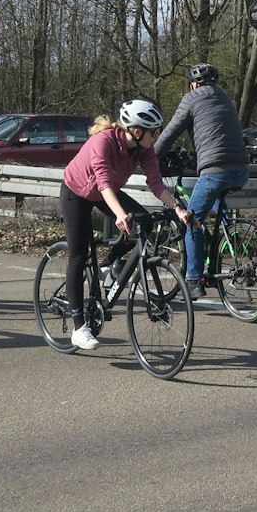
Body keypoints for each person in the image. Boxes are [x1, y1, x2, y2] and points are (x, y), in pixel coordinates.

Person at [59, 99, 192, 351]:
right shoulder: (104, 141)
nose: (157, 136)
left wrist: (177, 208)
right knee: (78, 256)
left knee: (143, 221)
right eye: (154, 131)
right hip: (77, 192)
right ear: (137, 131)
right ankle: (78, 327)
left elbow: (156, 183)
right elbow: (104, 182)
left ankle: (109, 265)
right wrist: (120, 215)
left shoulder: (144, 147)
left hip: (103, 192)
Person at [153, 63, 250, 300]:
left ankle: (194, 280)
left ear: (193, 84)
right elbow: (218, 133)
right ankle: (229, 236)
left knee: (191, 220)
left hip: (215, 170)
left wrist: (150, 157)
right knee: (216, 197)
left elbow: (169, 133)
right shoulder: (225, 98)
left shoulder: (191, 98)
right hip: (242, 170)